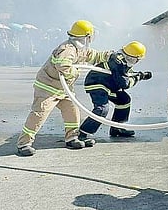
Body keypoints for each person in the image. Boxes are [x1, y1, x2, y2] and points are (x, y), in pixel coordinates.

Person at [16, 20, 113, 156]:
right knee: (39, 114)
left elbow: (94, 56)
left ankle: (72, 138)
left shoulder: (80, 48)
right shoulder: (67, 49)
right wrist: (75, 72)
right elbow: (63, 66)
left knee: (72, 111)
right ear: (86, 36)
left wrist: (111, 55)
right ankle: (24, 143)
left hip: (64, 89)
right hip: (47, 88)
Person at [78, 41, 152, 142]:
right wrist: (138, 77)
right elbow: (125, 84)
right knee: (102, 109)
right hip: (97, 84)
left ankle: (117, 128)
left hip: (109, 85)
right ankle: (83, 133)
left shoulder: (123, 60)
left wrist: (140, 75)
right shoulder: (118, 63)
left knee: (124, 100)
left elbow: (126, 74)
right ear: (134, 58)